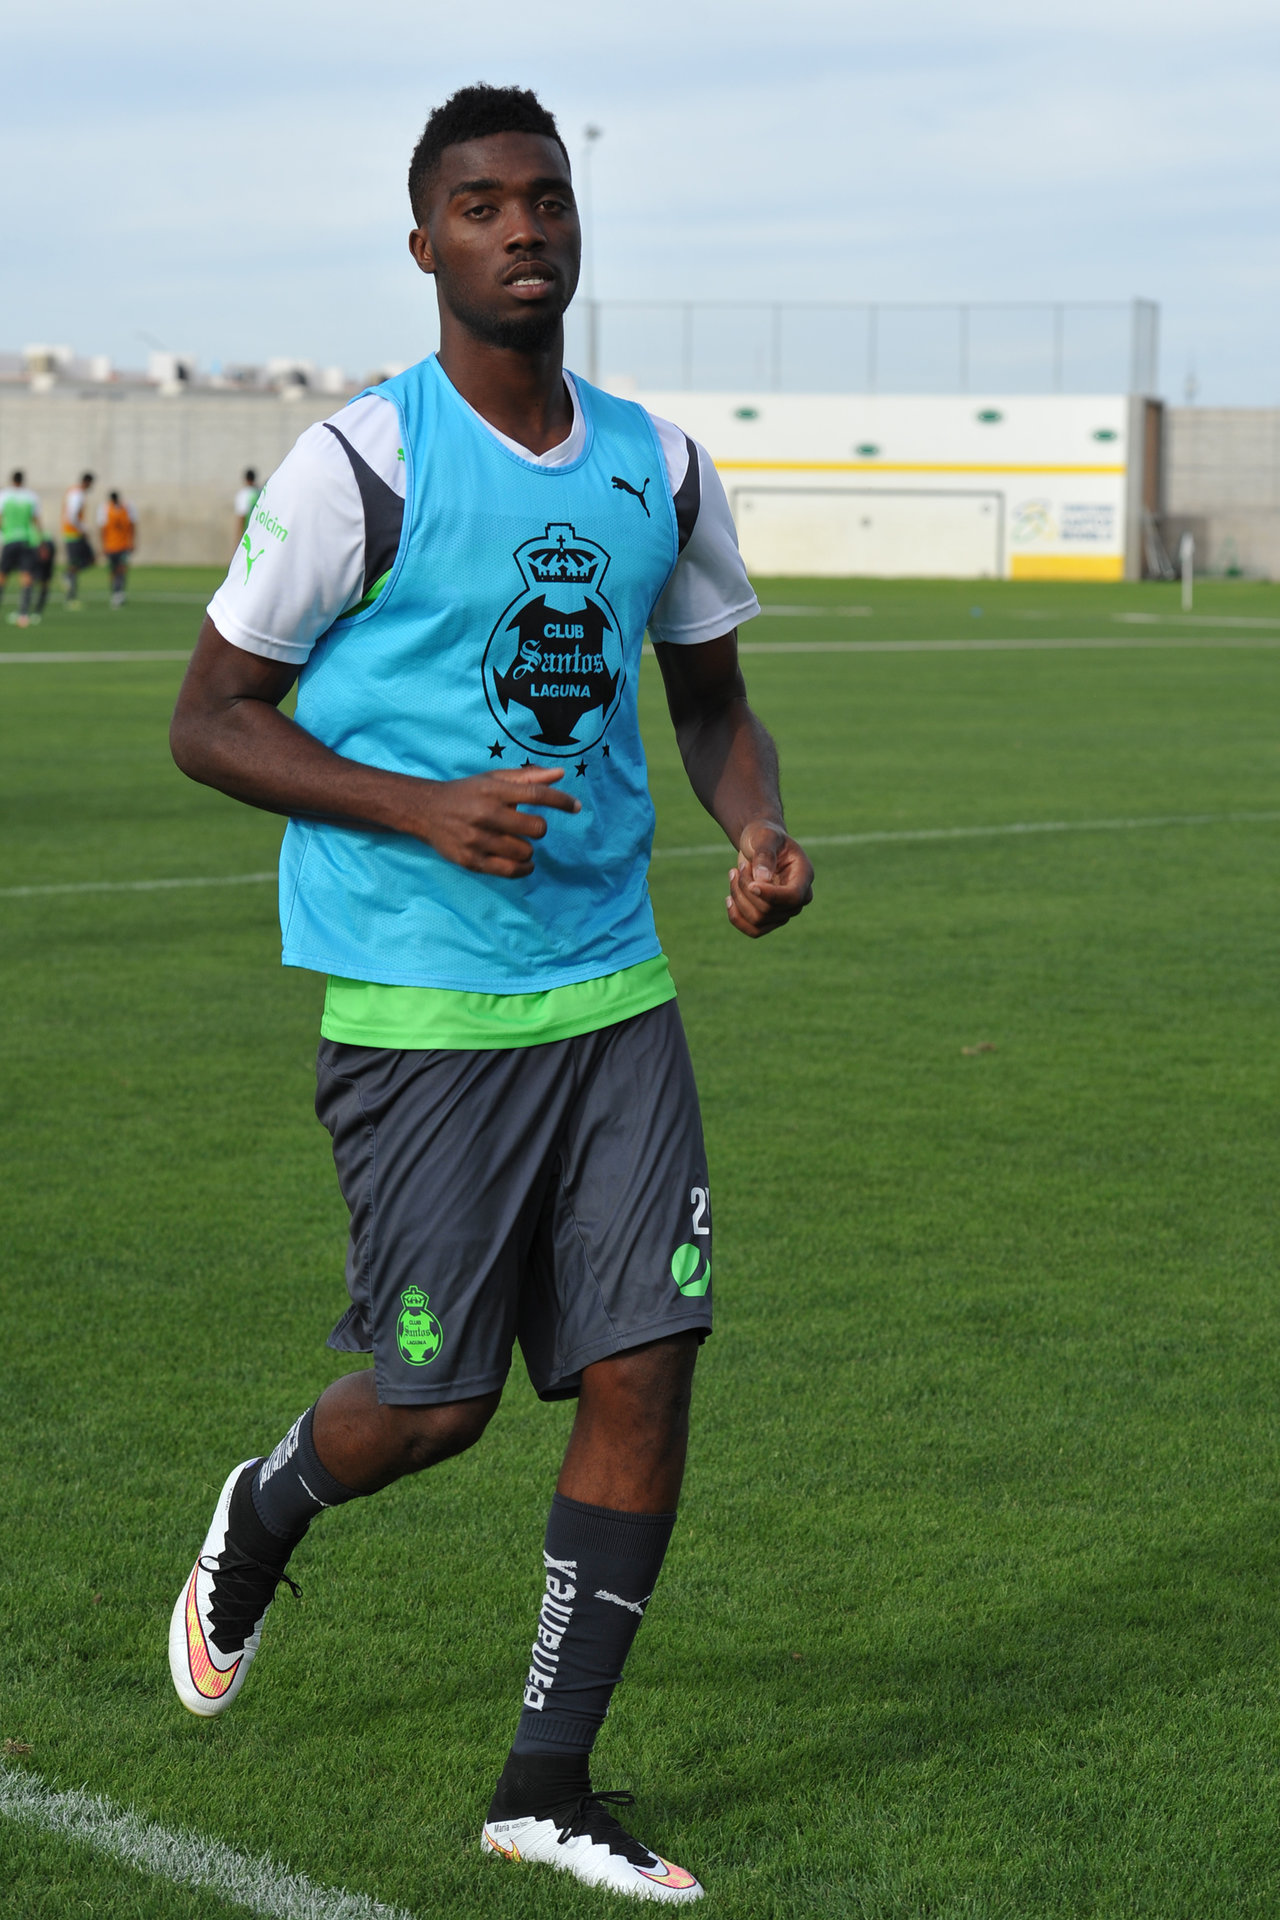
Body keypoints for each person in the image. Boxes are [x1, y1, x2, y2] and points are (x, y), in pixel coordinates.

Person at [167, 83, 813, 1905]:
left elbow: (711, 704)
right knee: (432, 1407)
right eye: (481, 204)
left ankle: (547, 1784)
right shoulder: (361, 463)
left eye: (546, 197)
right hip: (424, 1007)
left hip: (614, 994)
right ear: (426, 242)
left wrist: (759, 829)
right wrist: (421, 806)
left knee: (649, 1365)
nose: (522, 226)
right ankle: (267, 1505)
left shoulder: (659, 467)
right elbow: (208, 719)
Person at [0, 469, 42, 628]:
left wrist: (3, 533)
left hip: (10, 539)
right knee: (26, 576)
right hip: (26, 540)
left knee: (3, 575)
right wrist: (40, 540)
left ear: (12, 480)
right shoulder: (31, 496)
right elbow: (36, 520)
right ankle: (23, 614)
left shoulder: (4, 495)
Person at [62, 471, 95, 608]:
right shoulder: (77, 494)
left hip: (73, 533)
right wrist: (83, 529)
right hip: (73, 534)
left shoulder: (75, 492)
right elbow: (72, 516)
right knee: (79, 562)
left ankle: (69, 579)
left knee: (82, 562)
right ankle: (71, 597)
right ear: (87, 482)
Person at [98, 490, 136, 607]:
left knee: (122, 569)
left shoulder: (127, 508)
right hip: (111, 546)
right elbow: (102, 529)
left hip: (123, 545)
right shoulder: (105, 509)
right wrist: (103, 545)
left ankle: (120, 592)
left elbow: (132, 525)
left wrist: (132, 542)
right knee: (113, 571)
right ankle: (115, 592)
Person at [234, 468, 260, 537]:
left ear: (246, 479)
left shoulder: (243, 494)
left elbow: (241, 517)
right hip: (257, 531)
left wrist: (238, 538)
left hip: (247, 532)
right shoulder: (259, 492)